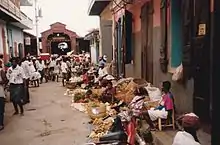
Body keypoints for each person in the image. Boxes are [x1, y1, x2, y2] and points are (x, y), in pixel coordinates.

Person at [0, 62, 7, 131]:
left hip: (0, 93)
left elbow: (5, 80)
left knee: (1, 110)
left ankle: (1, 124)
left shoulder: (1, 71)